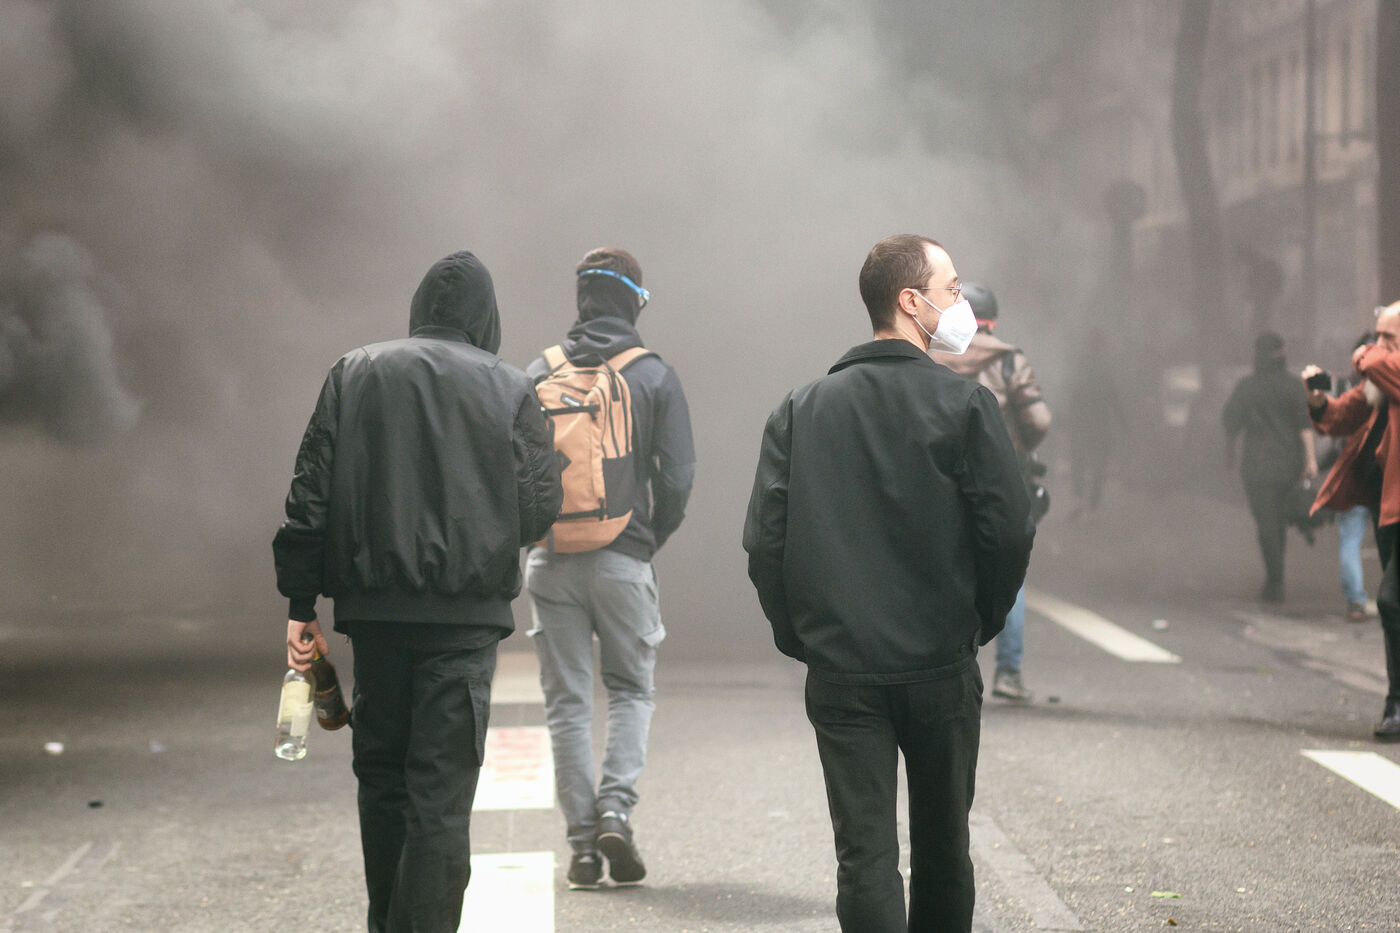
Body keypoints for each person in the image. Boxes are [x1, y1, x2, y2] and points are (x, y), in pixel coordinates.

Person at [743, 234, 1034, 932]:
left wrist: (803, 636)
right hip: (940, 665)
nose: (960, 303)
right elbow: (1009, 530)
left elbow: (764, 542)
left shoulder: (801, 408)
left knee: (864, 856)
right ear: (911, 301)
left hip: (842, 669)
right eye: (952, 288)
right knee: (945, 849)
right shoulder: (965, 405)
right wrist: (979, 622)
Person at [272, 251, 563, 932]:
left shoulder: (354, 372)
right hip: (464, 623)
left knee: (382, 780)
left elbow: (309, 497)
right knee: (440, 799)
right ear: (486, 317)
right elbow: (537, 508)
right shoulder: (510, 386)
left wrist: (300, 605)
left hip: (374, 618)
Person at [524, 247, 695, 890]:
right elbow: (678, 476)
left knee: (567, 705)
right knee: (629, 691)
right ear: (633, 300)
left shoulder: (537, 371)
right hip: (624, 555)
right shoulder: (652, 375)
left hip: (551, 559)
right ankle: (616, 813)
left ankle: (581, 846)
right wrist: (649, 536)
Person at [931, 282, 1050, 702]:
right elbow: (1038, 421)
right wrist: (1020, 450)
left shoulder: (928, 357)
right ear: (993, 322)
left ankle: (941, 669)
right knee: (1008, 569)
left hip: (941, 479)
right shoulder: (1008, 360)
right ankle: (1008, 673)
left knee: (941, 569)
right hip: (1002, 482)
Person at [1304, 301, 1400, 740]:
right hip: (1387, 508)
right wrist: (1318, 400)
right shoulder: (1382, 381)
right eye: (1376, 336)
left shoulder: (1382, 368)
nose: (1377, 345)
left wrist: (1364, 353)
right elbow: (1342, 416)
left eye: (1388, 338)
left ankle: (1395, 703)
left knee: (1391, 602)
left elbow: (1373, 363)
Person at [1222, 332, 1318, 604]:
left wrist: (1229, 456)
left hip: (1257, 467)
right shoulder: (1293, 386)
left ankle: (1275, 580)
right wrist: (1310, 459)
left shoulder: (1246, 387)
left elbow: (1231, 425)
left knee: (1266, 522)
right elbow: (1304, 425)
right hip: (1289, 465)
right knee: (1278, 522)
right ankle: (1276, 577)